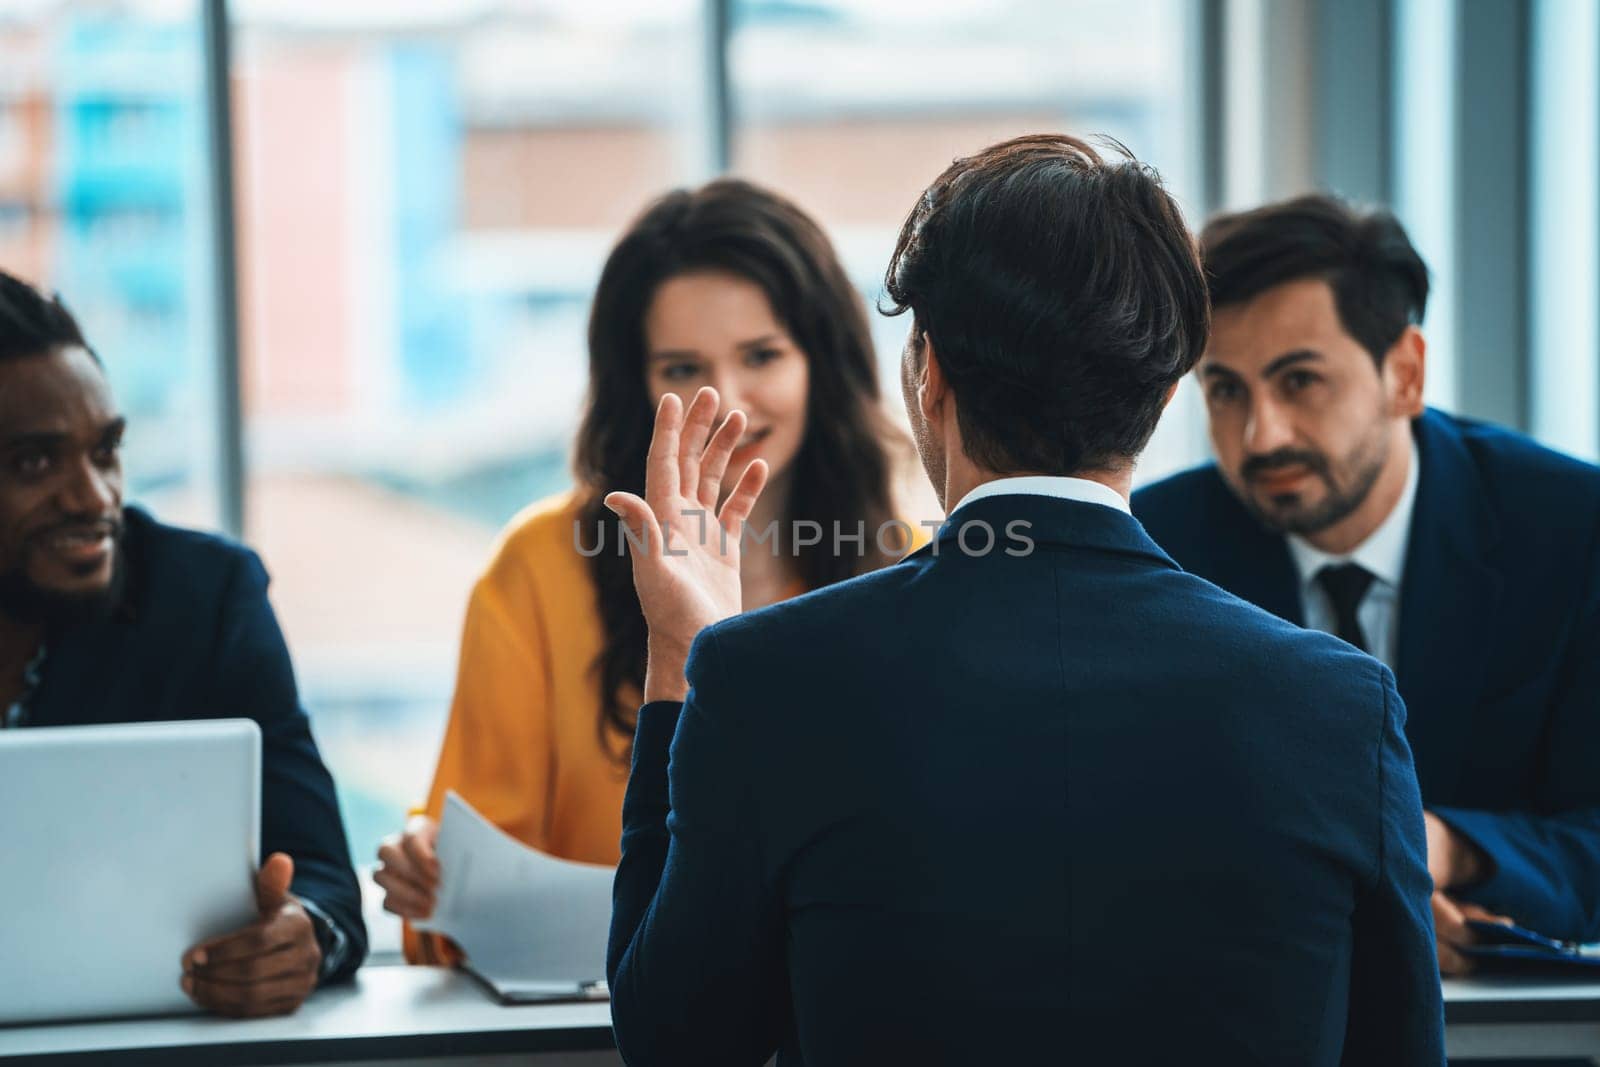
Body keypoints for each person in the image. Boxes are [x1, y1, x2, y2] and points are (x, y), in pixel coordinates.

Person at [603, 136, 1443, 1064]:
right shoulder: (1343, 706)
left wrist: (680, 649)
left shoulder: (766, 677)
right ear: (1163, 394)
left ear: (928, 376)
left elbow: (673, 1042)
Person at [373, 179, 923, 963]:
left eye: (761, 355)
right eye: (681, 368)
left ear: (821, 364)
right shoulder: (537, 567)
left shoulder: (905, 569)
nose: (724, 403)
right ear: (636, 384)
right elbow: (466, 888)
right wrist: (433, 874)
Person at [1133, 194, 1600, 973]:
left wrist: (1446, 849)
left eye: (1300, 380)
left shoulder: (1570, 531)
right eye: (1226, 390)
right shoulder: (1159, 548)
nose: (1261, 434)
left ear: (1405, 374)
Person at [0, 270, 366, 1018]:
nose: (96, 496)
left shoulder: (205, 597)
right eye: (36, 463)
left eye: (105, 451)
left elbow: (326, 878)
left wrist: (302, 935)